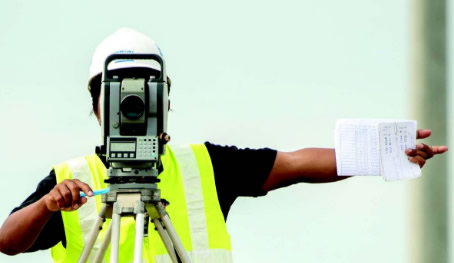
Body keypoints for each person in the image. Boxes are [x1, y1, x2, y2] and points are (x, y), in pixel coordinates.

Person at [0, 28, 448, 262]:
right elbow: (7, 242)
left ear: (165, 102)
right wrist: (47, 207)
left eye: (144, 95)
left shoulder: (205, 165)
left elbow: (295, 164)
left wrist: (385, 151)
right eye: (120, 96)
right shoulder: (68, 182)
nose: (132, 107)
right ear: (97, 106)